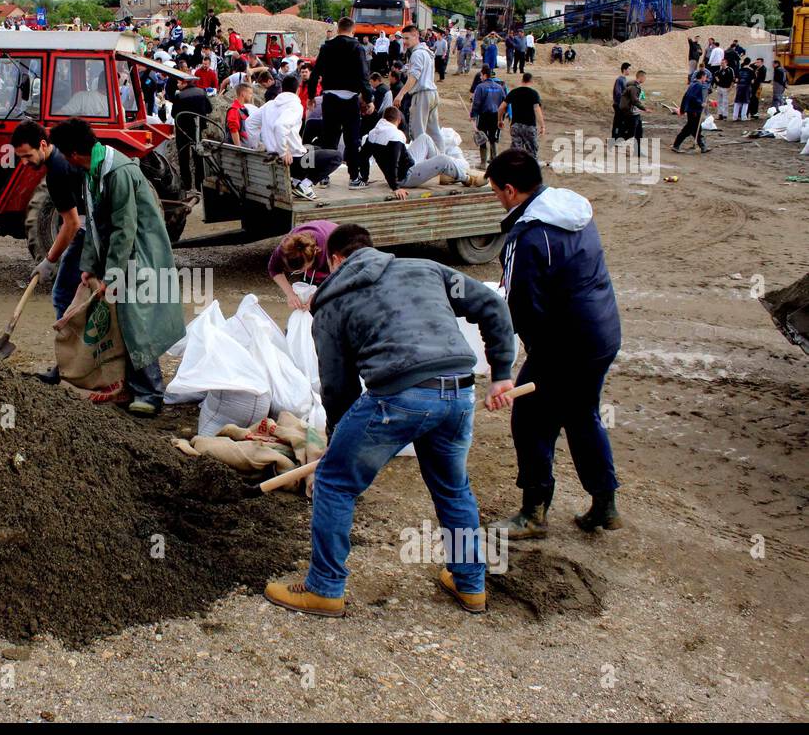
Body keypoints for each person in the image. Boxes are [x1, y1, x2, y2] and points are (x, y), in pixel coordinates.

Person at [264, 222, 517, 617]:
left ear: (334, 259)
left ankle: (324, 589)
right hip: (458, 391)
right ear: (372, 248)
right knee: (453, 489)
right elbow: (492, 303)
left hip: (399, 395)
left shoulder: (330, 302)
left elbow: (337, 386)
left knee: (333, 479)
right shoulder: (425, 268)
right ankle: (470, 584)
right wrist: (501, 372)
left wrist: (337, 438)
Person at [487, 149, 622, 537]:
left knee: (530, 418)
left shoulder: (528, 236)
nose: (497, 197)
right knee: (581, 414)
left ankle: (533, 511)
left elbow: (520, 306)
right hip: (602, 332)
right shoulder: (571, 209)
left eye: (497, 191)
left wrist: (514, 360)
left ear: (511, 191)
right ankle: (604, 503)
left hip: (564, 343)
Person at [48, 118, 184, 417]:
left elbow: (124, 228)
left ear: (72, 154)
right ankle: (130, 387)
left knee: (137, 320)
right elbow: (96, 223)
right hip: (122, 254)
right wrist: (90, 266)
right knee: (123, 319)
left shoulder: (118, 172)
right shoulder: (93, 171)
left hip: (141, 251)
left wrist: (112, 274)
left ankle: (151, 393)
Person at [11, 121, 85, 349]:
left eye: (27, 156)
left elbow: (70, 224)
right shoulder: (64, 156)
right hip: (89, 226)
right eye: (20, 157)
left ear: (43, 145)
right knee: (74, 292)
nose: (24, 163)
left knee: (63, 293)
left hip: (86, 230)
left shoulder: (57, 172)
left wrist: (49, 260)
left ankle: (68, 359)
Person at [248, 74, 341, 199]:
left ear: (282, 89)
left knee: (315, 149)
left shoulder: (269, 105)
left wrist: (257, 145)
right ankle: (305, 185)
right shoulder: (295, 106)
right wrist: (283, 151)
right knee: (337, 156)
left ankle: (296, 182)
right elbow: (280, 126)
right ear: (297, 90)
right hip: (295, 162)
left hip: (274, 155)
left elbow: (250, 123)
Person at [359, 105, 484, 194]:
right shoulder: (395, 135)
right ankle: (468, 179)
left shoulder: (373, 133)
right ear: (398, 120)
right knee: (443, 159)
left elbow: (363, 157)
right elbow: (393, 163)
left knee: (424, 138)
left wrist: (364, 178)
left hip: (403, 167)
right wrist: (395, 187)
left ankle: (446, 173)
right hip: (405, 177)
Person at [311, 17, 375, 188]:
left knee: (328, 138)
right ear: (352, 30)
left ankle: (324, 176)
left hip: (329, 97)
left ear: (338, 29)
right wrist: (369, 99)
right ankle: (354, 178)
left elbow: (315, 73)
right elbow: (363, 76)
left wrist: (311, 95)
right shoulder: (356, 47)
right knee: (352, 140)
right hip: (350, 99)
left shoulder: (326, 47)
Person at [268, 220, 338, 309]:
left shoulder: (332, 252)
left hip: (339, 255)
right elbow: (273, 268)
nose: (301, 272)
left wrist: (317, 295)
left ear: (314, 254)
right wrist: (290, 294)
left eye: (302, 269)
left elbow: (339, 278)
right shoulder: (285, 248)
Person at [397, 24, 445, 153]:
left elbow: (413, 77)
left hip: (422, 94)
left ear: (416, 36)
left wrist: (401, 94)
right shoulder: (426, 51)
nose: (405, 42)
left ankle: (421, 162)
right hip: (432, 93)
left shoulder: (417, 54)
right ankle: (441, 158)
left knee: (418, 131)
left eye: (407, 38)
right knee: (434, 130)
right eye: (403, 39)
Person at [171, 75, 212, 192]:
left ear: (185, 83)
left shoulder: (179, 96)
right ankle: (200, 186)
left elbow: (174, 114)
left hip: (183, 130)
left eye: (179, 82)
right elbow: (209, 109)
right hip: (197, 129)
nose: (177, 85)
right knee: (198, 157)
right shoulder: (202, 92)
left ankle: (187, 185)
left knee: (183, 158)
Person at [470, 66, 507, 166]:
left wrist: (472, 115)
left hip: (484, 115)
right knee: (493, 137)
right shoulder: (499, 87)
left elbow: (476, 103)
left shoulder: (481, 87)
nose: (480, 77)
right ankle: (494, 160)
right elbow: (504, 103)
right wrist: (502, 118)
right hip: (496, 116)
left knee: (482, 137)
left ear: (485, 75)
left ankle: (483, 163)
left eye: (481, 75)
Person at [502, 72, 544, 158]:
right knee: (532, 153)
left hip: (516, 126)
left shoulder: (514, 92)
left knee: (515, 154)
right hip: (529, 126)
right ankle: (531, 170)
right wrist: (542, 126)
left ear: (522, 80)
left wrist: (499, 120)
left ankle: (516, 170)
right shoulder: (534, 94)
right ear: (531, 81)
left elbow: (501, 107)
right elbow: (537, 109)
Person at [671, 71, 711, 153]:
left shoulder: (693, 84)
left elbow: (687, 96)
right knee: (691, 129)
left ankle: (702, 146)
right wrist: (701, 103)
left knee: (694, 129)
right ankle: (676, 145)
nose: (706, 78)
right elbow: (692, 97)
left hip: (692, 110)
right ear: (702, 76)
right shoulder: (698, 85)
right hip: (694, 111)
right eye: (705, 76)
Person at [618, 70, 649, 156]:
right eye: (645, 77)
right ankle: (614, 142)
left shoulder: (636, 86)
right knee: (631, 133)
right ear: (641, 77)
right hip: (632, 114)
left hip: (636, 113)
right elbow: (635, 101)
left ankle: (638, 152)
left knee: (639, 133)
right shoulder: (633, 88)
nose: (645, 79)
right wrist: (644, 108)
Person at [225, 82, 253, 146]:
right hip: (238, 151)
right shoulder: (234, 110)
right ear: (243, 94)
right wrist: (239, 149)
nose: (251, 96)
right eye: (250, 93)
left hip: (245, 146)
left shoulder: (243, 109)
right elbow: (234, 130)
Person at [611, 62, 632, 138]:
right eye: (629, 69)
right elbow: (618, 93)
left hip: (622, 105)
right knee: (617, 123)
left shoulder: (624, 79)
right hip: (618, 105)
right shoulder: (619, 80)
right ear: (624, 69)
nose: (630, 71)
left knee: (621, 123)